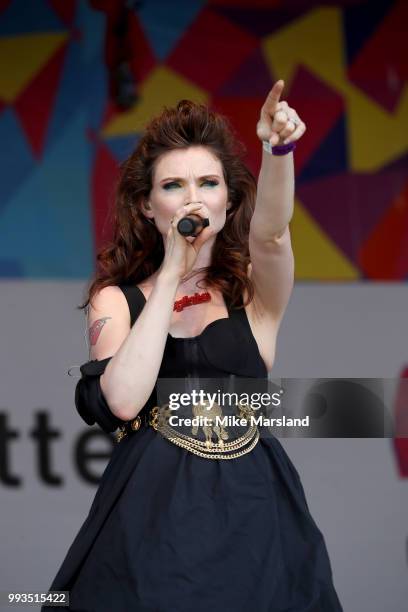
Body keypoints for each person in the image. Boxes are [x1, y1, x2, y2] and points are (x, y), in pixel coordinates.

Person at [42, 81, 343, 611]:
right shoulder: (116, 300)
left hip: (255, 508)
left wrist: (278, 152)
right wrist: (172, 271)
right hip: (154, 517)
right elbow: (124, 399)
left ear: (228, 199)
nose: (194, 198)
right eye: (174, 186)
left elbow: (272, 236)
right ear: (149, 206)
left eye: (208, 183)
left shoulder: (252, 292)